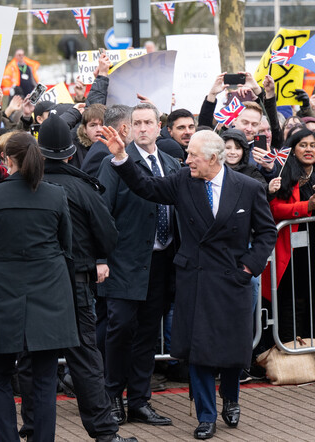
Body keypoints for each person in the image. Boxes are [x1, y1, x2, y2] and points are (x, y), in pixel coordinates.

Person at [101, 127, 276, 440]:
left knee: (232, 348)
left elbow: (266, 233)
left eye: (193, 156)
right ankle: (206, 415)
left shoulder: (248, 187)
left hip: (233, 280)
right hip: (194, 279)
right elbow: (146, 186)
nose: (186, 160)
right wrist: (121, 157)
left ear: (212, 158)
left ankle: (232, 398)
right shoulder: (184, 180)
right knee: (199, 350)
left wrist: (248, 268)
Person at [17, 113, 136, 442]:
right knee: (84, 358)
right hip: (75, 282)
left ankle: (33, 429)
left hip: (35, 284)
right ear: (71, 154)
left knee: (32, 359)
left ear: (39, 153)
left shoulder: (23, 188)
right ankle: (105, 434)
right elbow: (109, 235)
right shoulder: (83, 189)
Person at [0, 132, 79, 442]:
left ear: (7, 159)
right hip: (48, 292)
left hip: (1, 295)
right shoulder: (55, 195)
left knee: (0, 376)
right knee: (45, 379)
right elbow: (66, 247)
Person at [97, 103, 179, 428]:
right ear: (128, 128)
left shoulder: (173, 164)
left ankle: (140, 402)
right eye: (137, 123)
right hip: (123, 263)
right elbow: (101, 212)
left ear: (160, 126)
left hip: (162, 262)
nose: (143, 128)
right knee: (119, 330)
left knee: (147, 334)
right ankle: (112, 397)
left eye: (149, 122)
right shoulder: (114, 163)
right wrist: (101, 259)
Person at [262, 129, 315, 342]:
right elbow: (274, 209)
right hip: (291, 250)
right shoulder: (284, 172)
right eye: (303, 145)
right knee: (292, 300)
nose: (309, 149)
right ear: (293, 149)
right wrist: (307, 206)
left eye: (312, 145)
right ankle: (289, 349)